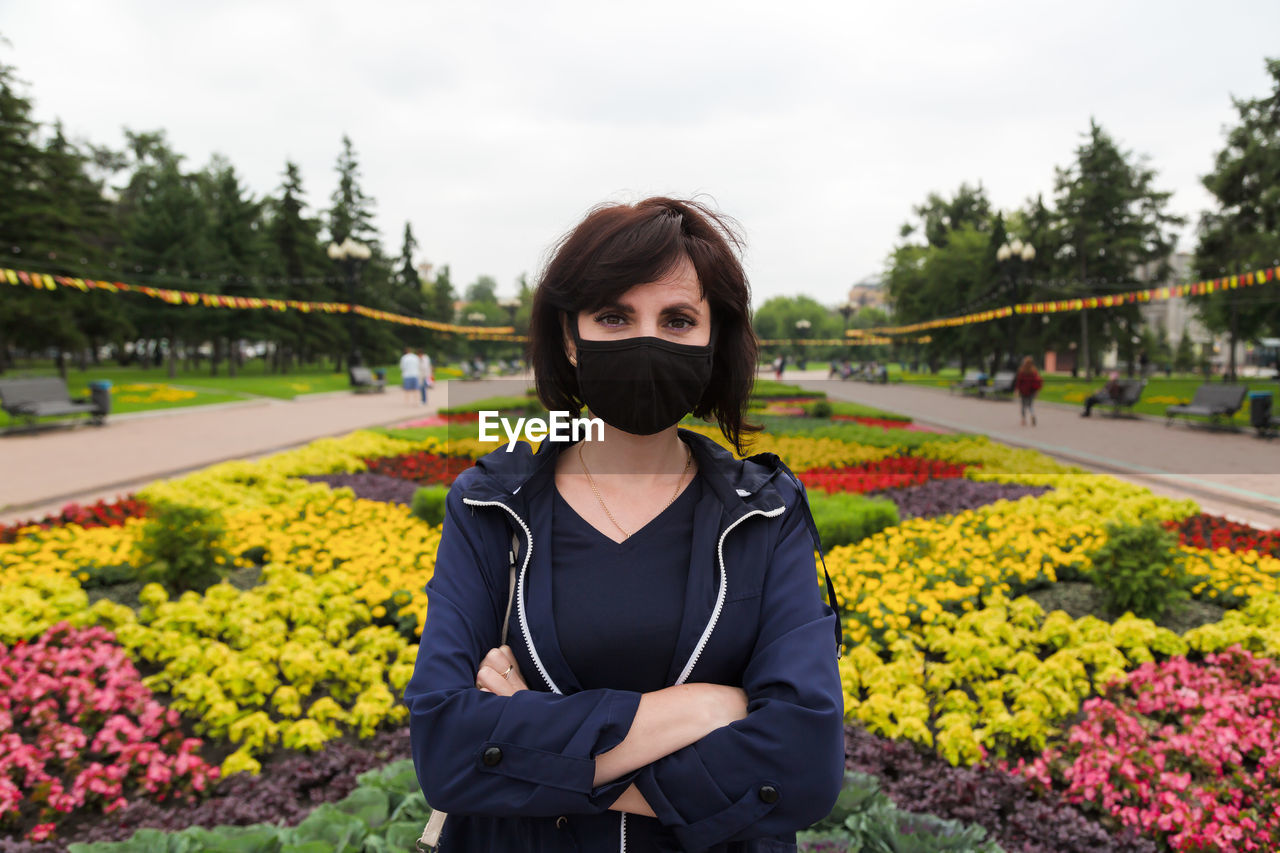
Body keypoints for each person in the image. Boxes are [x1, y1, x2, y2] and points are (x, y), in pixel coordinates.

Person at [404, 197, 844, 852]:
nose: (647, 341)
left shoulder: (767, 513)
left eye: (677, 319)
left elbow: (803, 764)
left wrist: (533, 739)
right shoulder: (490, 504)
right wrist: (702, 709)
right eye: (614, 316)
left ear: (712, 340)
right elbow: (447, 749)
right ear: (570, 339)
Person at [1014, 355, 1043, 426]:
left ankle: (1023, 419)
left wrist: (1017, 390)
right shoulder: (1034, 371)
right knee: (1030, 405)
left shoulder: (1022, 370)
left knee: (1023, 405)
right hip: (1032, 391)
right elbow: (1037, 381)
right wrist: (1037, 391)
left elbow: (1019, 381)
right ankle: (1032, 414)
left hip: (1023, 391)